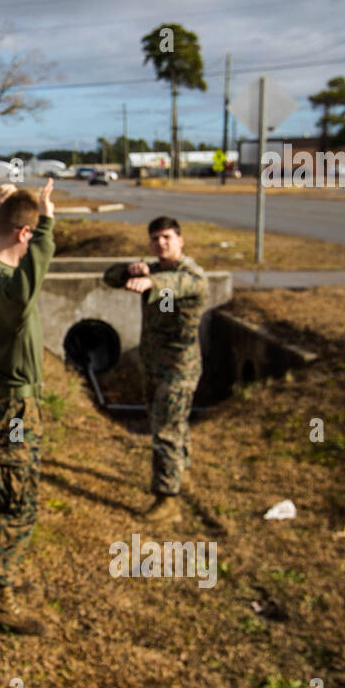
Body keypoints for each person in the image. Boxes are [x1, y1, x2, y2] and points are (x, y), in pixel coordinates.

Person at [0, 178, 55, 636]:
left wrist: (5, 211)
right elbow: (29, 281)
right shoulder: (11, 290)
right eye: (31, 235)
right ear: (25, 235)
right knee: (12, 498)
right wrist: (47, 223)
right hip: (12, 412)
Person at [103, 216, 208, 523]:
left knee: (166, 429)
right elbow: (109, 278)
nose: (160, 243)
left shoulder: (191, 275)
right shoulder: (153, 269)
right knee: (171, 423)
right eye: (155, 239)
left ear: (180, 240)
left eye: (166, 238)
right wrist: (129, 270)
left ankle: (168, 499)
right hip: (152, 364)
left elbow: (180, 286)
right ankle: (180, 472)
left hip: (179, 368)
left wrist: (153, 282)